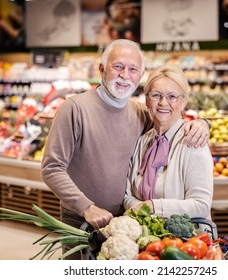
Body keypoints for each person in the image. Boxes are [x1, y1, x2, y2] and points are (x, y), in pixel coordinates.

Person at [41, 39, 210, 250]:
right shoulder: (74, 108)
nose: (124, 75)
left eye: (132, 69)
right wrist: (87, 208)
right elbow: (51, 168)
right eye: (118, 67)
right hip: (81, 220)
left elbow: (170, 118)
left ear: (140, 76)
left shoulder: (140, 114)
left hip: (125, 223)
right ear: (102, 69)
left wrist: (204, 123)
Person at [124, 64, 214, 220]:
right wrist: (145, 216)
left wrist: (152, 207)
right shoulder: (141, 142)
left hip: (187, 241)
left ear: (184, 101)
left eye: (172, 96)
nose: (163, 103)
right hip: (147, 238)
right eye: (156, 95)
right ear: (146, 100)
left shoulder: (193, 141)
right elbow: (127, 195)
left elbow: (201, 205)